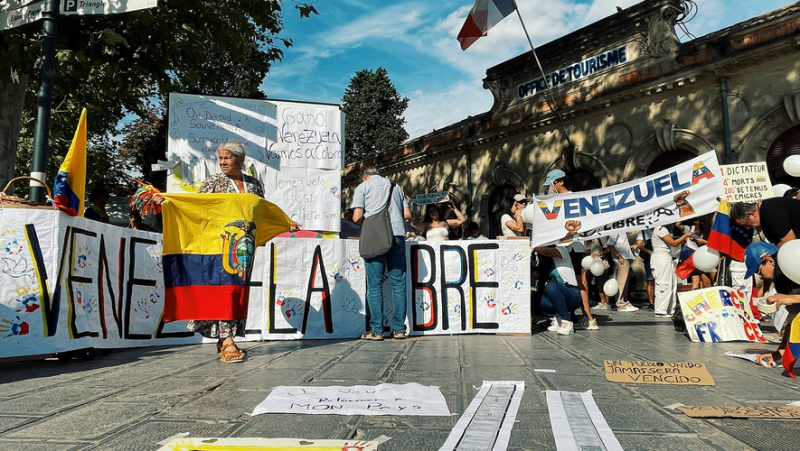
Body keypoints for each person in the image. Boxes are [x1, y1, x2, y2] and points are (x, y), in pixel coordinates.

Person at [156, 140, 299, 363]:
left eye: (227, 157)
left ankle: (226, 338)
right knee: (221, 291)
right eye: (220, 158)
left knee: (236, 292)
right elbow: (196, 207)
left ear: (240, 160)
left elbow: (261, 210)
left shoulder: (253, 184)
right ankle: (227, 340)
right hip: (218, 249)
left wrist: (284, 222)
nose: (222, 162)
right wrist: (167, 201)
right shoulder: (213, 182)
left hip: (244, 250)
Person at [351, 166, 412, 341]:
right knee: (399, 284)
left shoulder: (363, 187)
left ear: (364, 177)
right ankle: (399, 330)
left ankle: (377, 331)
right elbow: (407, 214)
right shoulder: (396, 186)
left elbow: (356, 217)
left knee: (375, 284)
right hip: (398, 235)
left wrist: (370, 225)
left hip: (377, 236)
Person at [743, 243, 800, 368]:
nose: (761, 277)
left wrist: (793, 298)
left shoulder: (794, 263)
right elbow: (794, 321)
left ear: (769, 261)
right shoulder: (782, 279)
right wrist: (780, 352)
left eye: (758, 271)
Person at [534, 243, 583, 335]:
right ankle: (556, 318)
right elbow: (536, 274)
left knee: (551, 286)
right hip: (555, 297)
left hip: (572, 294)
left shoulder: (561, 250)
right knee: (531, 299)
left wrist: (530, 245)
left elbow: (546, 251)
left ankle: (566, 321)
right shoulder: (545, 262)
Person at [651, 224, 693, 317]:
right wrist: (685, 236)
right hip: (660, 257)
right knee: (663, 283)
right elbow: (673, 243)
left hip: (667, 256)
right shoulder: (660, 228)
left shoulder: (665, 229)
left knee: (672, 283)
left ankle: (670, 309)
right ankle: (660, 310)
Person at [732, 198, 800, 247]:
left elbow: (789, 240)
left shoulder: (770, 213)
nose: (747, 228)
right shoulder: (765, 210)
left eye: (746, 223)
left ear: (751, 214)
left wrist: (770, 252)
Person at [606, 230, 639, 312]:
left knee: (624, 283)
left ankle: (624, 302)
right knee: (621, 282)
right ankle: (620, 304)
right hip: (621, 259)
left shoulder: (623, 231)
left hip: (625, 257)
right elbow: (610, 244)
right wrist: (619, 256)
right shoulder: (616, 231)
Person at [636, 229, 655, 311]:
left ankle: (657, 301)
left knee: (658, 280)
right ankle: (651, 302)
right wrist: (649, 252)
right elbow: (639, 244)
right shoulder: (643, 232)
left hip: (658, 256)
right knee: (650, 280)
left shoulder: (658, 230)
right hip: (648, 258)